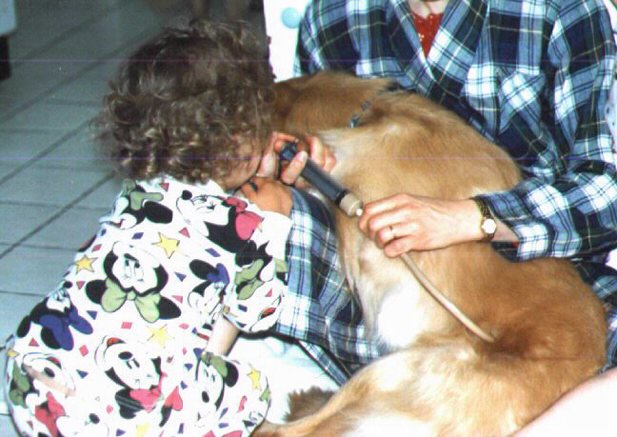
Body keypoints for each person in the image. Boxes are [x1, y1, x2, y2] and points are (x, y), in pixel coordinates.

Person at [260, 0, 617, 432]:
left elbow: (606, 193)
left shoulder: (560, 11)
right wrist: (300, 172)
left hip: (552, 294)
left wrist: (472, 218)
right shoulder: (332, 18)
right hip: (369, 299)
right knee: (249, 223)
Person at [2, 20, 292, 437]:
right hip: (125, 417)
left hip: (36, 386)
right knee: (250, 388)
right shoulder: (245, 228)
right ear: (242, 142)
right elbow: (259, 313)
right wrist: (275, 223)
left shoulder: (136, 193)